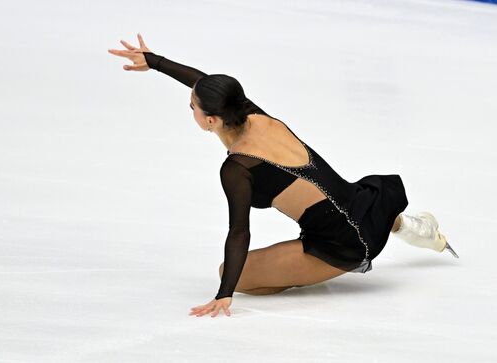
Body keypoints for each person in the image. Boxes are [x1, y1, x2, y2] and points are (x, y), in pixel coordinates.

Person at [108, 34, 459, 318]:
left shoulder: (238, 168)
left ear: (211, 121)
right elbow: (204, 84)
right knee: (338, 201)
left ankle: (315, 270)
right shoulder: (255, 116)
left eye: (193, 107)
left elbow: (239, 231)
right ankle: (409, 226)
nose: (191, 107)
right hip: (367, 206)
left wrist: (224, 293)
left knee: (234, 273)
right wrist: (154, 61)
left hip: (344, 248)